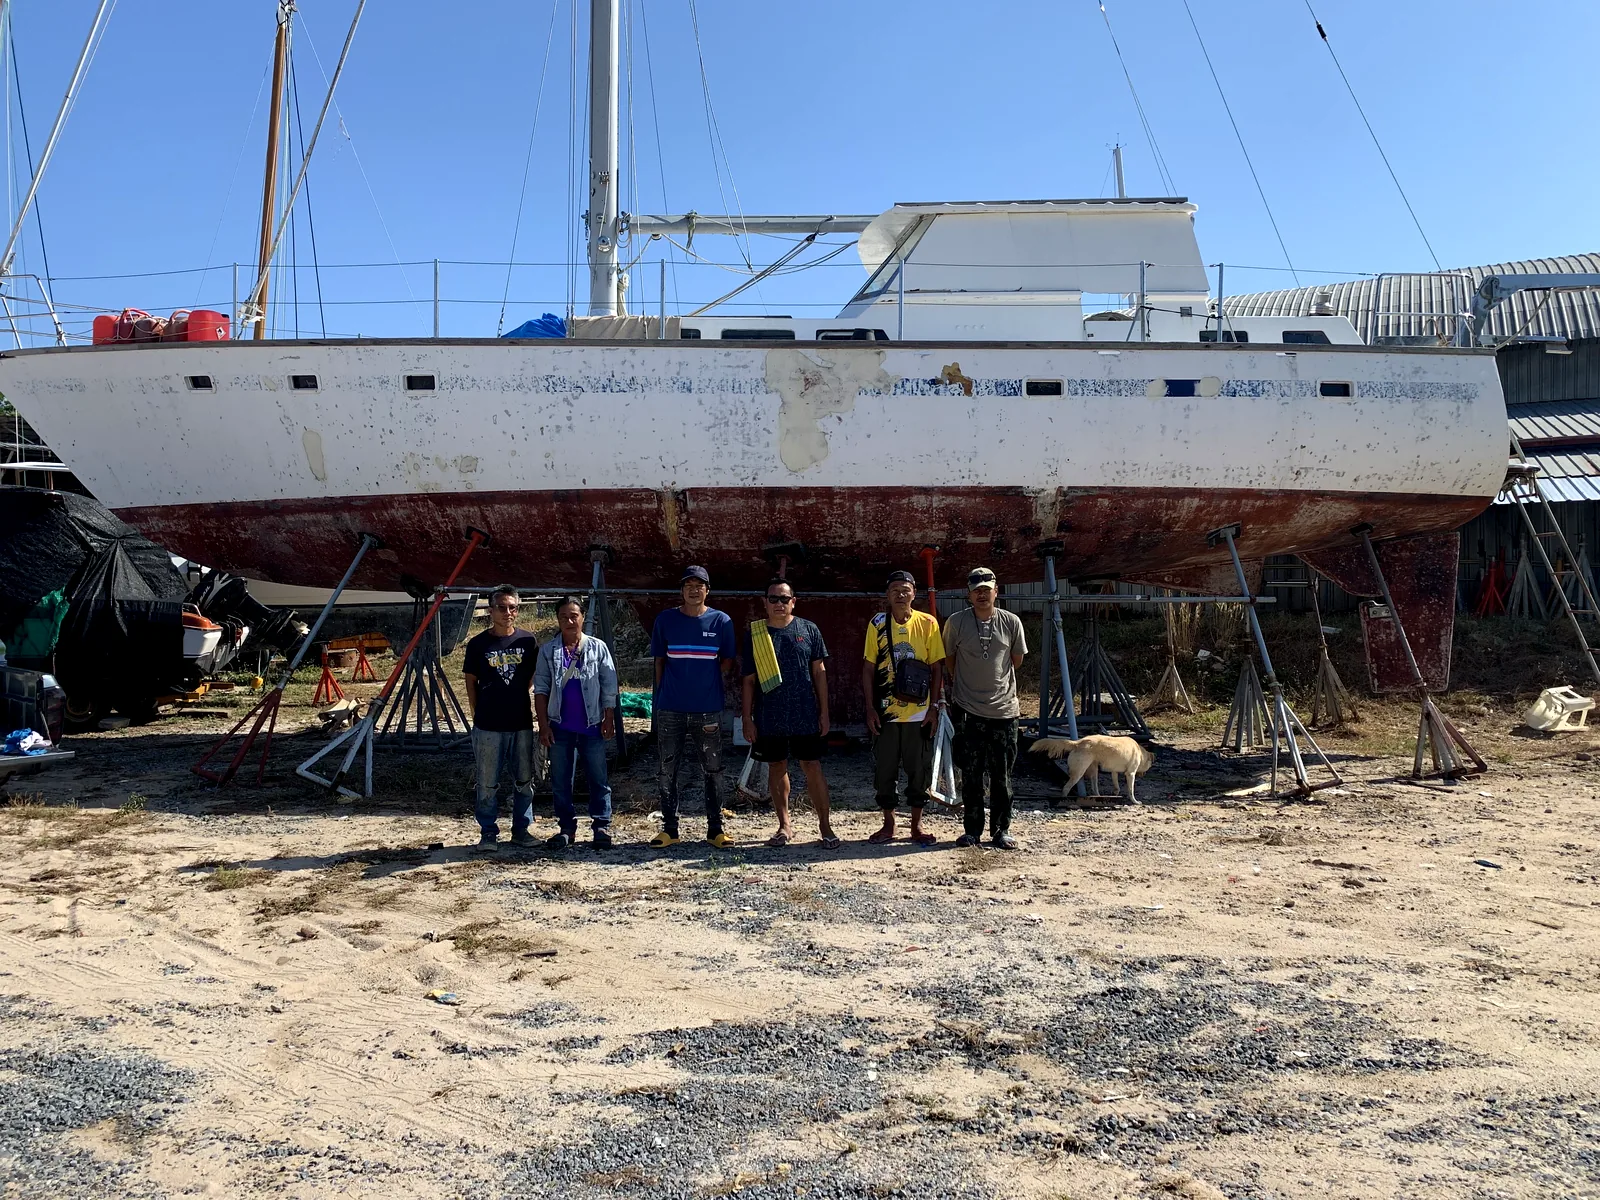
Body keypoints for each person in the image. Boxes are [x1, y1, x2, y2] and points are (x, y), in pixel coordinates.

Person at [739, 578, 838, 849]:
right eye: (773, 599)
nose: (779, 604)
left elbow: (819, 672)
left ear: (793, 601)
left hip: (805, 713)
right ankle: (784, 825)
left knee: (813, 766)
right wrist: (747, 718)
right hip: (769, 715)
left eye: (784, 599)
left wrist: (824, 712)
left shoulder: (809, 629)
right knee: (776, 766)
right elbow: (748, 679)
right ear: (765, 603)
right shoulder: (756, 634)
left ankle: (825, 826)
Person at [650, 566, 737, 848]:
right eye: (688, 584)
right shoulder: (665, 620)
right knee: (667, 768)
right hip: (671, 709)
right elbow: (659, 661)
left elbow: (726, 661)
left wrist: (705, 684)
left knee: (713, 769)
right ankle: (670, 829)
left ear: (707, 591)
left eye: (699, 585)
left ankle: (715, 829)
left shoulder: (721, 622)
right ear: (681, 590)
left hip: (707, 709)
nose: (694, 589)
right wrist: (663, 696)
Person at [943, 567, 1029, 850]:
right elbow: (950, 661)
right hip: (968, 710)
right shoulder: (956, 623)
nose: (982, 593)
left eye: (986, 588)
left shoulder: (1011, 622)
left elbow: (1016, 661)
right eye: (976, 589)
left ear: (996, 591)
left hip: (1004, 711)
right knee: (970, 773)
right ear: (968, 594)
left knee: (1002, 775)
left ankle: (1001, 830)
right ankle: (972, 831)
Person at [862, 570, 945, 845]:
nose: (901, 594)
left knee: (918, 769)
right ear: (887, 595)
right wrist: (870, 707)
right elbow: (868, 667)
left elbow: (936, 667)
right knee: (884, 770)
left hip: (919, 713)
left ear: (914, 593)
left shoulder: (928, 623)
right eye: (895, 589)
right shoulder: (877, 623)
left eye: (906, 589)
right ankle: (888, 823)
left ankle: (917, 826)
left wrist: (934, 707)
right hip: (886, 712)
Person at [533, 596, 618, 851]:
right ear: (557, 620)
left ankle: (601, 825)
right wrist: (544, 725)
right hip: (560, 726)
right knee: (560, 779)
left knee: (598, 777)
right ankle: (566, 828)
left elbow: (609, 685)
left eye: (574, 616)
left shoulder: (598, 648)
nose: (569, 621)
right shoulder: (548, 651)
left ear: (582, 617)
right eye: (563, 617)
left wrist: (609, 717)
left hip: (592, 725)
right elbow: (541, 689)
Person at [462, 585, 538, 850]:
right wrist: (476, 713)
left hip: (520, 723)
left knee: (524, 781)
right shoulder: (478, 644)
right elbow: (470, 681)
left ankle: (521, 830)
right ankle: (488, 833)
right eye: (502, 607)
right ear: (491, 610)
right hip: (488, 724)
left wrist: (515, 694)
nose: (508, 612)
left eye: (513, 607)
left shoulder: (528, 642)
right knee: (487, 783)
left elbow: (531, 677)